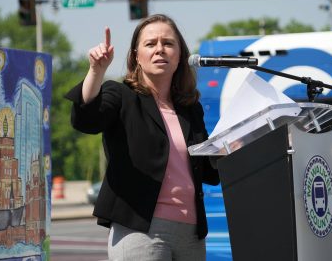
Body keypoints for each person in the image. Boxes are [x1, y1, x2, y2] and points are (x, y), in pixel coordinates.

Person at [65, 14, 220, 260]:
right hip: (139, 230)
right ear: (137, 55)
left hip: (191, 233)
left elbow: (211, 171)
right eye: (151, 44)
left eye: (168, 43)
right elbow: (86, 119)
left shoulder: (191, 108)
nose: (160, 49)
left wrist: (239, 142)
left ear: (180, 55)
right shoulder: (121, 95)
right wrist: (96, 71)